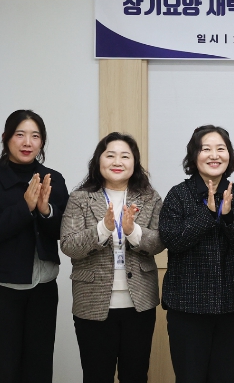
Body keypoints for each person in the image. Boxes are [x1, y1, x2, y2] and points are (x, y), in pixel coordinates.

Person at [60, 132, 164, 383]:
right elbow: (69, 244)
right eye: (110, 155)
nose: (117, 161)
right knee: (96, 376)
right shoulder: (80, 198)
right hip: (92, 303)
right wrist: (103, 229)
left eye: (125, 156)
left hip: (139, 303)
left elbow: (160, 242)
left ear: (134, 163)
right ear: (98, 161)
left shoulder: (149, 197)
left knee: (135, 375)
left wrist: (132, 231)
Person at [158, 125, 234, 383]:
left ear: (229, 155)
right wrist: (207, 215)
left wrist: (228, 216)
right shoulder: (178, 195)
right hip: (187, 307)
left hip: (231, 306)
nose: (214, 155)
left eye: (221, 149)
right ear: (194, 156)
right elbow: (172, 240)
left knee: (224, 377)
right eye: (206, 149)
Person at [0, 109, 69, 382]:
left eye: (35, 136)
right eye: (20, 134)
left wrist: (46, 211)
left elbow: (65, 233)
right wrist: (24, 208)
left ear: (42, 141)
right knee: (3, 368)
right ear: (6, 137)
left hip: (43, 288)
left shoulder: (53, 179)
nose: (27, 143)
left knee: (39, 367)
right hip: (1, 289)